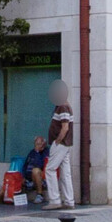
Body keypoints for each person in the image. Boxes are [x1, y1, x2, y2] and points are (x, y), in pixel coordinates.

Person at [43, 80, 76, 210]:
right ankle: (69, 201)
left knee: (50, 169)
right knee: (65, 172)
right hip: (65, 144)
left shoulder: (62, 107)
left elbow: (65, 127)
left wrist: (58, 140)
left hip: (61, 144)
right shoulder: (64, 106)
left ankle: (55, 200)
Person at [20, 136, 50, 206]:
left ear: (43, 144)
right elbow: (25, 165)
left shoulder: (46, 152)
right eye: (36, 144)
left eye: (39, 144)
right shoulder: (32, 152)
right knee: (12, 176)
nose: (37, 146)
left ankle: (40, 194)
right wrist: (23, 176)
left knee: (35, 170)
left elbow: (39, 165)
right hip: (28, 179)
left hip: (40, 178)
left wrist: (37, 152)